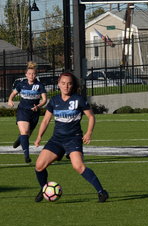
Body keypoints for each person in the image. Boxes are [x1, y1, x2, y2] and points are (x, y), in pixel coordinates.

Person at [33, 72, 108, 202]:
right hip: (57, 139)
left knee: (78, 166)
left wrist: (89, 133)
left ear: (73, 85)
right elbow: (45, 120)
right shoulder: (54, 100)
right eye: (63, 83)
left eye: (69, 84)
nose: (66, 86)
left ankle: (101, 192)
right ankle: (44, 188)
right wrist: (39, 136)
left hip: (73, 139)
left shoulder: (78, 99)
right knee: (39, 166)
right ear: (58, 84)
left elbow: (91, 117)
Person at [8, 62, 48, 163]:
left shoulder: (39, 85)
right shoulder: (21, 84)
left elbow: (44, 100)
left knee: (27, 135)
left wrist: (38, 106)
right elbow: (13, 93)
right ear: (26, 74)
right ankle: (27, 156)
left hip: (34, 112)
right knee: (25, 132)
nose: (31, 76)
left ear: (36, 75)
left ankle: (19, 140)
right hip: (23, 111)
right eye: (29, 74)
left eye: (33, 74)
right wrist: (10, 100)